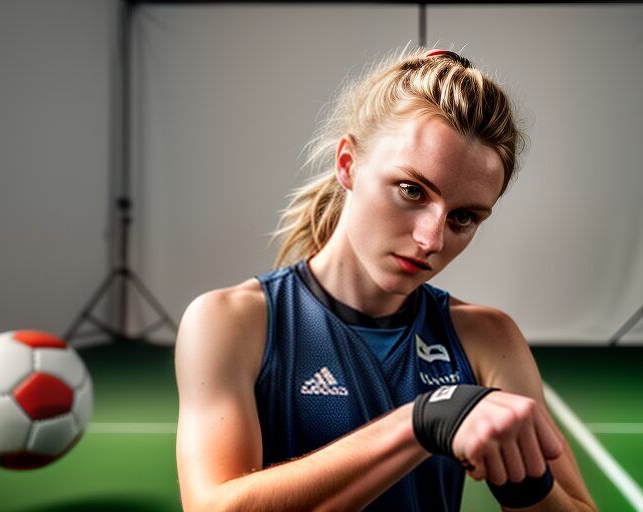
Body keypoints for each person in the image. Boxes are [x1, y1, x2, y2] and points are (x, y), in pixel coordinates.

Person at [175, 47, 597, 511]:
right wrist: (422, 422)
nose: (431, 239)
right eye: (412, 191)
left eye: (463, 217)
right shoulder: (233, 322)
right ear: (348, 163)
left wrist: (525, 482)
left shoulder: (485, 337)